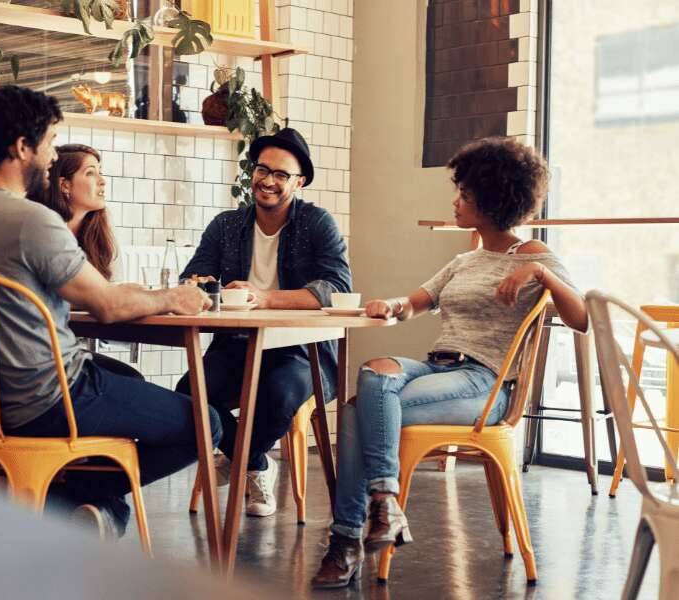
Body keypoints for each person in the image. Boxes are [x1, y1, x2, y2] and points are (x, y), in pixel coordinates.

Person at [0, 85, 220, 539]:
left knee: (131, 381)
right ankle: (75, 502)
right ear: (22, 147)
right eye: (47, 145)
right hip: (54, 395)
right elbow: (107, 306)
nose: (50, 157)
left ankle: (75, 502)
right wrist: (171, 297)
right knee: (207, 423)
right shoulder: (30, 220)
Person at [310, 137, 588, 588]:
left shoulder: (536, 256)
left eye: (465, 193)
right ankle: (384, 503)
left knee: (359, 411)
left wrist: (541, 274)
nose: (456, 200)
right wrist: (392, 304)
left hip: (485, 384)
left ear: (494, 198)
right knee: (372, 374)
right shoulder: (464, 260)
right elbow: (417, 302)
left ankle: (346, 543)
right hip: (438, 368)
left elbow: (582, 319)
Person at [176, 128, 353, 517]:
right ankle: (254, 463)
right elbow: (194, 278)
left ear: (299, 181)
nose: (268, 181)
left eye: (281, 174)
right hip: (237, 344)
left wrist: (265, 297)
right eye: (262, 169)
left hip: (301, 351)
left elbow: (336, 287)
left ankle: (235, 458)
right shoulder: (226, 226)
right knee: (189, 392)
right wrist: (200, 286)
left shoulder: (316, 223)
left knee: (276, 394)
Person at [28, 143, 142, 380]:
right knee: (130, 381)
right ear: (64, 185)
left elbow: (113, 287)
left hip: (66, 351)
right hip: (42, 358)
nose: (102, 181)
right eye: (90, 173)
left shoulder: (100, 233)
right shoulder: (42, 233)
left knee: (130, 377)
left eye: (100, 172)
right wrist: (94, 298)